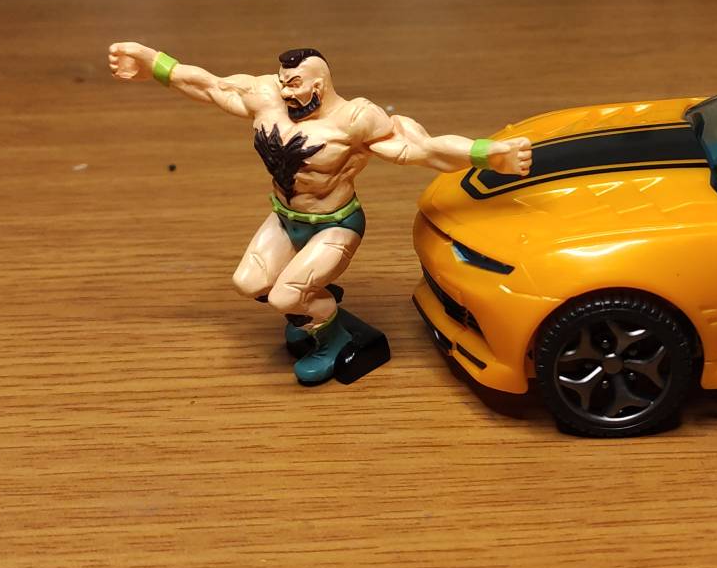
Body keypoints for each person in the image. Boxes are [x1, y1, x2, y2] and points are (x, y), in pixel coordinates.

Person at [105, 43, 534, 384]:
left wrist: (488, 154)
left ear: (320, 84)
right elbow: (210, 86)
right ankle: (313, 304)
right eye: (282, 82)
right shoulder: (267, 98)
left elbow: (423, 148)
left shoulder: (355, 119)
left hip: (335, 225)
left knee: (285, 296)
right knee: (248, 283)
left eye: (295, 84)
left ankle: (332, 338)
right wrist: (153, 62)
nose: (286, 92)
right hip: (285, 217)